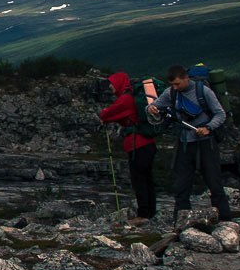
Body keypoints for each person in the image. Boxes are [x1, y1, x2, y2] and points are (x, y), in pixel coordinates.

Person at [147, 65, 232, 221]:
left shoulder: (204, 91)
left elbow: (220, 114)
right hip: (184, 143)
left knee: (214, 183)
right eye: (172, 84)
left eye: (178, 84)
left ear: (186, 78)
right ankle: (181, 220)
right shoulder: (171, 93)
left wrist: (208, 127)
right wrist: (151, 108)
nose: (175, 87)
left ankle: (225, 219)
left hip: (206, 143)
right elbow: (154, 106)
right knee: (181, 185)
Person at [98, 71, 157, 222]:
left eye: (111, 83)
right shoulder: (131, 98)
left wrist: (104, 117)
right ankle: (151, 211)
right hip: (148, 144)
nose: (110, 87)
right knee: (147, 178)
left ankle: (143, 214)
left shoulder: (125, 100)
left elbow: (106, 114)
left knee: (139, 180)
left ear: (118, 83)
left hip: (137, 145)